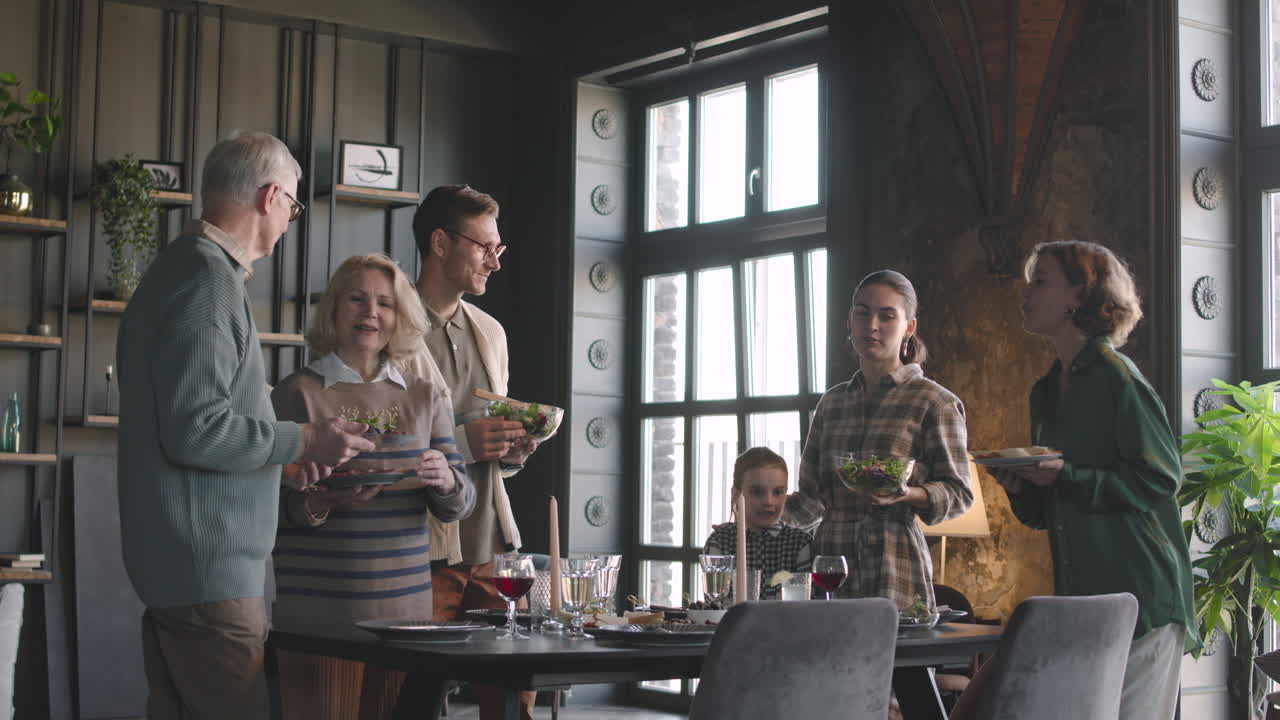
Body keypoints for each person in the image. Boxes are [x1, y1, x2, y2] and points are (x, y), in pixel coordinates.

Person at [116, 130, 374, 720]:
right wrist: (304, 438)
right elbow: (197, 430)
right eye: (292, 206)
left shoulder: (181, 271)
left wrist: (279, 462)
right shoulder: (209, 284)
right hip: (210, 580)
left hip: (185, 574)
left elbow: (185, 425)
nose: (288, 221)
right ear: (269, 196)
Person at [988, 240, 1198, 720]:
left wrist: (1066, 475)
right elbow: (1053, 509)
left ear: (1079, 296)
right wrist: (1021, 487)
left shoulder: (1117, 377)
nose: (1026, 292)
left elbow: (1160, 479)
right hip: (1083, 600)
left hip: (1141, 595)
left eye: (1041, 281)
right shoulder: (1044, 392)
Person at [270, 253, 476, 720]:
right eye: (356, 300)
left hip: (406, 620)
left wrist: (446, 480)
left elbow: (459, 503)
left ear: (399, 317)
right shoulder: (295, 393)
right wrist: (319, 502)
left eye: (385, 303)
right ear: (333, 309)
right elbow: (266, 505)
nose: (371, 313)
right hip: (318, 618)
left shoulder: (424, 394)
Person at [412, 184, 538, 720]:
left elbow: (496, 453)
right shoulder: (391, 325)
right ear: (440, 243)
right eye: (485, 247)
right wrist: (466, 443)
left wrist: (514, 446)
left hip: (493, 549)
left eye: (498, 248)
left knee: (514, 702)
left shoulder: (491, 332)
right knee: (414, 701)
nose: (495, 261)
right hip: (424, 553)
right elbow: (379, 438)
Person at [796, 269, 972, 609]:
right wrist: (758, 514)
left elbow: (959, 493)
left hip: (895, 568)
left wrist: (909, 494)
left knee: (894, 646)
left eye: (887, 316)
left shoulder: (934, 402)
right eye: (862, 313)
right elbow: (811, 498)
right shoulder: (832, 403)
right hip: (830, 569)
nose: (872, 325)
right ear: (849, 321)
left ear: (909, 327)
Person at [703, 447, 814, 599]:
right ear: (736, 494)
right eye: (757, 492)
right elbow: (715, 602)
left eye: (777, 492)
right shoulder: (720, 542)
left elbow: (805, 604)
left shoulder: (800, 544)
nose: (768, 501)